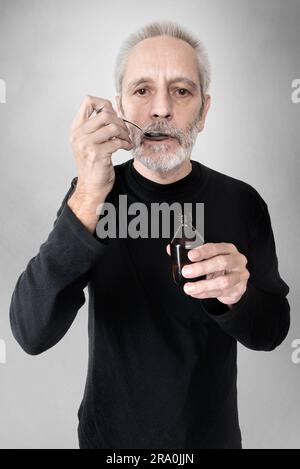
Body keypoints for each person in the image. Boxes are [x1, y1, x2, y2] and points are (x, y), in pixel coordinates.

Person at [9, 21, 290, 449]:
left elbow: (272, 331)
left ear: (204, 110)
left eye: (182, 91)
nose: (161, 109)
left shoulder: (242, 201)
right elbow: (31, 332)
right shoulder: (90, 195)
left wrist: (239, 296)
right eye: (142, 90)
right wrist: (87, 195)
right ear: (119, 104)